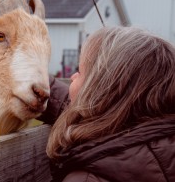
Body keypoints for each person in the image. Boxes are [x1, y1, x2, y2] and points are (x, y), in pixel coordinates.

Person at [39, 26, 175, 182]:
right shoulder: (157, 133)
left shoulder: (87, 178)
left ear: (101, 92)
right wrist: (30, 81)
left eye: (81, 71)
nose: (72, 76)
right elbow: (84, 107)